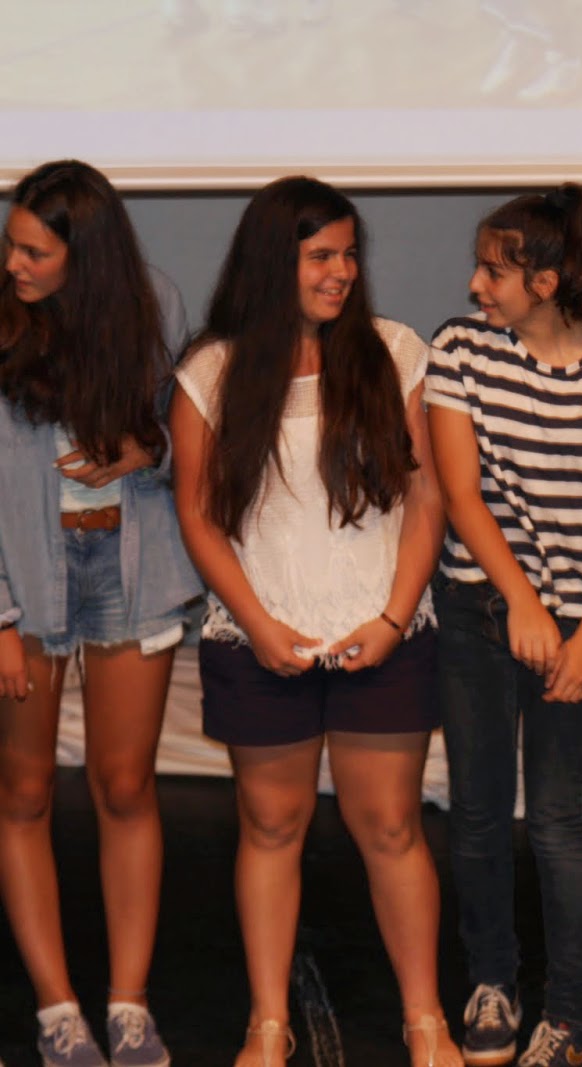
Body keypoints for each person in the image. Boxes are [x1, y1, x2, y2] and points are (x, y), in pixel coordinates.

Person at [169, 176, 458, 1067]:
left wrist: (395, 616)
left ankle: (425, 1019)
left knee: (392, 827)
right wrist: (257, 624)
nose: (342, 271)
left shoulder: (394, 351)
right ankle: (268, 1022)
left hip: (383, 632)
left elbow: (428, 498)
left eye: (349, 254)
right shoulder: (211, 371)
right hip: (260, 639)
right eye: (321, 255)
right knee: (270, 827)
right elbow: (198, 514)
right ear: (274, 260)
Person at [428, 185, 582, 1067]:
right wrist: (522, 601)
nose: (476, 284)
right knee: (480, 811)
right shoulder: (459, 350)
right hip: (479, 610)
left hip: (580, 623)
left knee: (562, 820)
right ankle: (492, 982)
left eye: (495, 270)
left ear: (548, 280)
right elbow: (461, 493)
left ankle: (573, 1019)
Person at [0, 159, 201, 1067]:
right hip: (25, 574)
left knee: (126, 786)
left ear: (85, 255)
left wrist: (145, 449)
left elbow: (186, 443)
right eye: (11, 245)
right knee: (25, 790)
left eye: (33, 251)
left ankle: (128, 1005)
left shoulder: (153, 303)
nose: (14, 263)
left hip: (129, 562)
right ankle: (57, 1011)